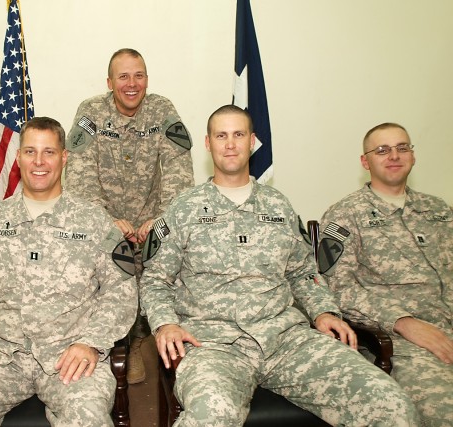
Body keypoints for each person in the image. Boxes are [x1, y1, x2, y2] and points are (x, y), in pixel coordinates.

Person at [141, 105, 419, 426]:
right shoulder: (183, 208)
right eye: (221, 135)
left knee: (390, 403)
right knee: (211, 415)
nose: (230, 144)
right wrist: (165, 324)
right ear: (208, 143)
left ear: (252, 142)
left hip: (286, 340)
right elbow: (155, 280)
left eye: (239, 134)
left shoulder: (278, 205)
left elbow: (303, 273)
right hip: (212, 345)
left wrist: (323, 311)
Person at [0, 117, 137, 426]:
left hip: (70, 356)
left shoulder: (96, 222)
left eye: (49, 152)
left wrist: (91, 342)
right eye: (31, 152)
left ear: (64, 158)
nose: (39, 161)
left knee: (88, 419)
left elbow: (121, 293)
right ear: (19, 156)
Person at [65, 48, 194, 383]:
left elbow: (179, 175)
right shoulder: (90, 111)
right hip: (103, 220)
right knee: (103, 263)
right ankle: (119, 341)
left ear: (147, 80)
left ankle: (144, 338)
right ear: (110, 82)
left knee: (171, 253)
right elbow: (79, 179)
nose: (131, 83)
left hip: (154, 220)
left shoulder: (162, 110)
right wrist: (108, 221)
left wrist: (160, 218)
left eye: (139, 75)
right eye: (123, 76)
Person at [319, 122, 453, 426]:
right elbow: (336, 289)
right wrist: (403, 322)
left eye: (402, 147)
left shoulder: (439, 211)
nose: (394, 155)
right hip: (402, 344)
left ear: (413, 156)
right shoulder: (344, 216)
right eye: (382, 150)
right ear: (365, 162)